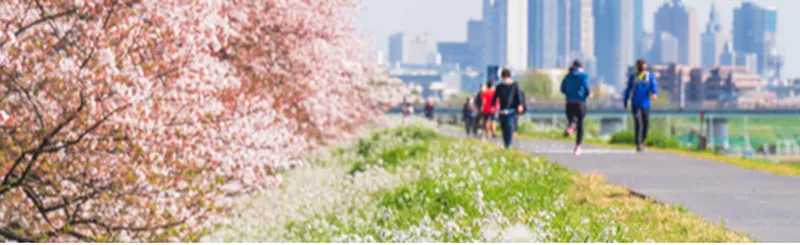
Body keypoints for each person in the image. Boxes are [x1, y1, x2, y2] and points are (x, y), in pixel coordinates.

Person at [623, 59, 659, 152]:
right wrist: (625, 101)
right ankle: (638, 143)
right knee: (638, 123)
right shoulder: (633, 77)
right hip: (635, 104)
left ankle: (642, 141)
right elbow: (628, 89)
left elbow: (653, 86)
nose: (642, 69)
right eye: (640, 67)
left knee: (646, 124)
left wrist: (654, 93)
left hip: (645, 105)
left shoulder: (649, 77)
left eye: (643, 67)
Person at [560, 60, 593, 155]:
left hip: (569, 102)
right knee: (581, 124)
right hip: (580, 103)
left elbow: (562, 89)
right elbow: (586, 88)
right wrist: (589, 94)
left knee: (572, 120)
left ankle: (571, 127)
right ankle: (577, 146)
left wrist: (570, 93)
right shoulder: (583, 76)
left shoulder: (567, 76)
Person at [491, 69, 525, 149]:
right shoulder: (499, 86)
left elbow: (518, 95)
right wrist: (492, 106)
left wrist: (520, 105)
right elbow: (495, 97)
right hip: (502, 110)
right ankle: (506, 143)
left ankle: (509, 144)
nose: (505, 79)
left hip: (511, 109)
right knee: (503, 127)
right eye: (504, 77)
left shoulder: (514, 85)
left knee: (509, 125)